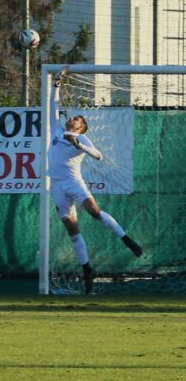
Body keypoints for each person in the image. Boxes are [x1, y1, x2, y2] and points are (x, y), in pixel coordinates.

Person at [48, 68, 143, 294]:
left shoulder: (80, 138)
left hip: (74, 182)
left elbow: (98, 155)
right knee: (72, 230)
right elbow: (52, 106)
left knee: (94, 211)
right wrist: (57, 83)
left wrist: (78, 145)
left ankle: (126, 239)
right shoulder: (57, 130)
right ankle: (87, 269)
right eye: (73, 117)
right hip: (58, 186)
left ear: (81, 128)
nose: (73, 119)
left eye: (78, 121)